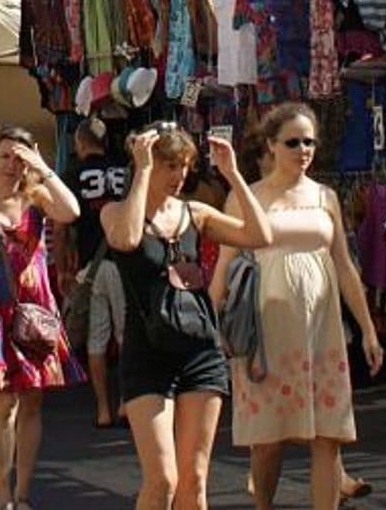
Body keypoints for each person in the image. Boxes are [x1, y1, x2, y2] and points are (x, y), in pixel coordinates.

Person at [209, 104, 383, 510]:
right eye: (293, 142)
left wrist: (369, 329)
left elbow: (343, 265)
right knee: (267, 442)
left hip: (322, 330)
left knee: (328, 436)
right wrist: (209, 327)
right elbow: (224, 266)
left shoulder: (326, 197)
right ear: (271, 145)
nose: (303, 149)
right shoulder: (246, 198)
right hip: (266, 333)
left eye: (309, 141)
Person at [100, 123, 273, 510]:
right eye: (169, 165)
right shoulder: (117, 212)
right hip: (147, 354)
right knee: (162, 479)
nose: (179, 176)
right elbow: (126, 241)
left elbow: (261, 235)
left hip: (200, 349)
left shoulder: (195, 213)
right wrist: (142, 172)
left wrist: (232, 175)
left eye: (183, 165)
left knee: (193, 481)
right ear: (147, 163)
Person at [0, 126, 83, 510]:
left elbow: (71, 211)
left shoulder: (38, 199)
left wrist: (42, 165)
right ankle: (3, 492)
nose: (11, 164)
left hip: (35, 309)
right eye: (4, 155)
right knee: (2, 403)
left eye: (18, 157)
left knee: (33, 403)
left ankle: (23, 492)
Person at [61, 117, 128, 428]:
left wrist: (62, 267)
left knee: (96, 338)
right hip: (124, 261)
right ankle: (127, 402)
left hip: (91, 265)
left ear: (80, 142)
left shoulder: (73, 175)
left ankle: (103, 408)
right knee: (126, 334)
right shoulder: (125, 172)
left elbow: (61, 226)